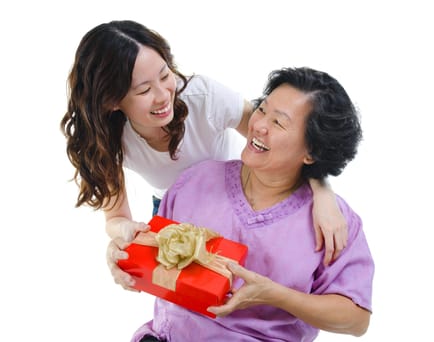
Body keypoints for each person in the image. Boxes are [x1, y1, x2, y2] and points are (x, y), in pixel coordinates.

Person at [61, 20, 347, 291]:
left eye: (165, 75)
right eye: (145, 90)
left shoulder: (203, 98)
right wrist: (126, 234)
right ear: (111, 100)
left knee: (253, 290)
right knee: (191, 307)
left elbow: (278, 143)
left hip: (240, 198)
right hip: (175, 215)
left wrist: (323, 193)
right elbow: (115, 218)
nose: (163, 95)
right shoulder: (107, 139)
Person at [122, 67, 374, 342]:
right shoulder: (194, 181)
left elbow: (356, 319)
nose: (259, 125)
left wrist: (276, 296)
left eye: (278, 123)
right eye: (262, 109)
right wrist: (122, 260)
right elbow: (151, 259)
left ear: (311, 153)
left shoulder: (333, 222)